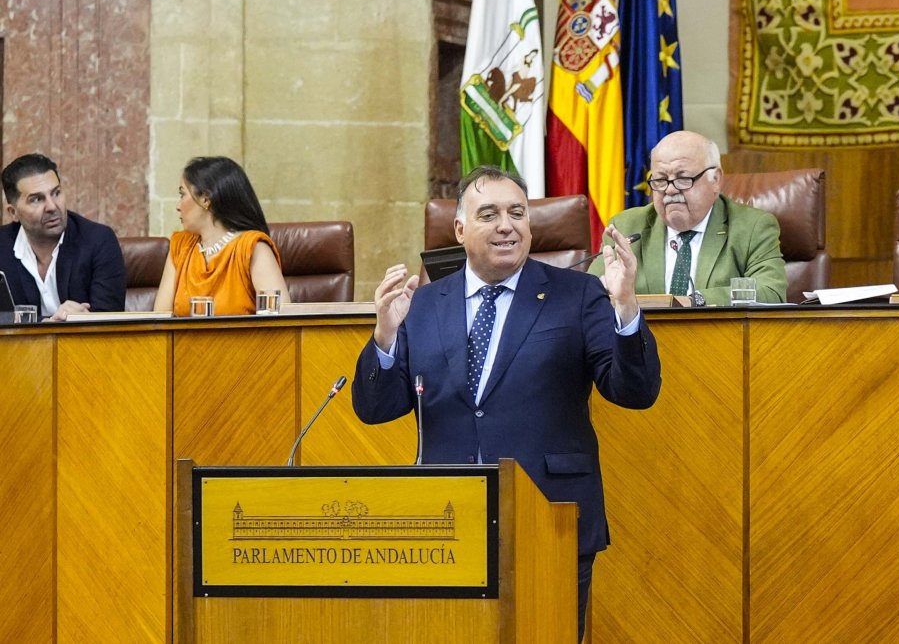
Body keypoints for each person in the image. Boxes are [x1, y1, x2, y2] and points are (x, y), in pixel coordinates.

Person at [352, 166, 661, 642]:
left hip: (550, 515)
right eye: (490, 213)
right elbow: (375, 409)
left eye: (518, 213)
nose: (506, 225)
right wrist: (385, 336)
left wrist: (625, 311)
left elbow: (634, 393)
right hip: (447, 522)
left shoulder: (577, 295)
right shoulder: (426, 303)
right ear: (459, 230)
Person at [589, 130, 787, 305]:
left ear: (715, 180)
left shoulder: (752, 228)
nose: (670, 189)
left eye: (683, 178)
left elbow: (771, 292)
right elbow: (590, 295)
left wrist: (695, 301)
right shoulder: (626, 226)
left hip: (717, 342)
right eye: (660, 180)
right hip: (642, 343)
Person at [153, 156, 290, 316]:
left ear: (205, 199)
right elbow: (160, 321)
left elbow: (282, 324)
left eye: (182, 195)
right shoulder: (180, 245)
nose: (178, 206)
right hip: (187, 341)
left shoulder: (252, 248)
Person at [1, 153, 126, 321]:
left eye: (56, 193)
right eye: (36, 199)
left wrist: (82, 320)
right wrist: (48, 325)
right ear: (13, 212)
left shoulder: (99, 241)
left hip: (83, 345)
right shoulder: (2, 246)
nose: (52, 206)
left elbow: (111, 322)